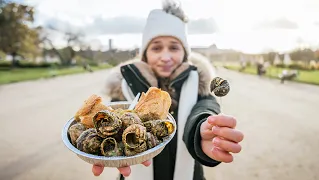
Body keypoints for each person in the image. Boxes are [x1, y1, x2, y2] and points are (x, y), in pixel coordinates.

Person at [94, 1, 244, 180]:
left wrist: (200, 131)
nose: (165, 57)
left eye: (174, 47)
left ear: (184, 53)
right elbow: (113, 124)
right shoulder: (124, 87)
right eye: (156, 48)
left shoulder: (199, 86)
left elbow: (205, 109)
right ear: (145, 54)